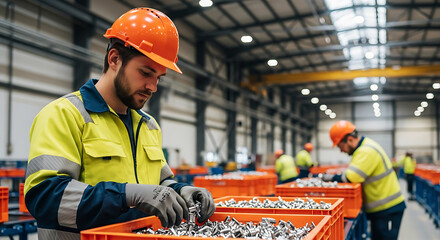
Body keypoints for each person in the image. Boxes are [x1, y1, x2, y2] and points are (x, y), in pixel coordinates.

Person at [24, 8, 215, 239]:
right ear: (114, 59)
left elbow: (159, 183)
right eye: (146, 73)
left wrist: (181, 189)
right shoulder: (64, 114)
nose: (153, 87)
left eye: (159, 78)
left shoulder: (149, 125)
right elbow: (45, 198)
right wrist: (126, 195)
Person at [323, 120, 405, 240]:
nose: (341, 150)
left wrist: (329, 178)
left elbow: (352, 177)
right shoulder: (364, 148)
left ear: (350, 139)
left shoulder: (366, 151)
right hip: (381, 208)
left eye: (341, 146)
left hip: (388, 208)